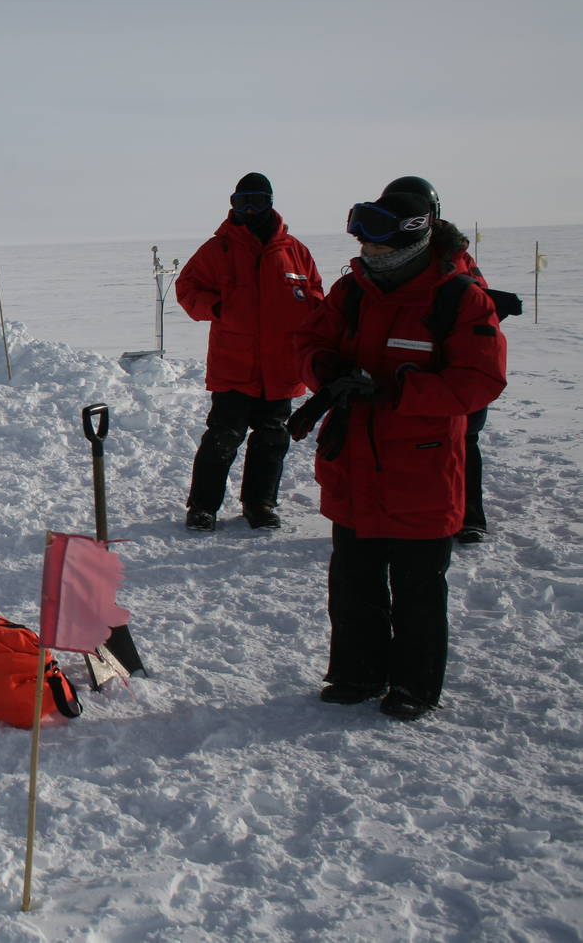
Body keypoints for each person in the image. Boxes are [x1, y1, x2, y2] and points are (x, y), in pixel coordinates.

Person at [293, 185, 506, 720]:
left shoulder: (459, 298)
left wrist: (395, 392)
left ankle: (414, 684)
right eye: (365, 245)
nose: (368, 254)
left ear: (413, 237)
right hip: (354, 464)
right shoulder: (353, 291)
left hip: (421, 470)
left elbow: (479, 380)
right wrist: (327, 370)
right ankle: (356, 673)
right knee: (353, 580)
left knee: (418, 588)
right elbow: (310, 342)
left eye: (379, 247)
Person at [175, 173, 324, 532]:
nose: (250, 210)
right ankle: (203, 507)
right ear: (233, 204)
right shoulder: (218, 249)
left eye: (257, 201)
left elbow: (316, 298)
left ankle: (260, 505)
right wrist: (218, 307)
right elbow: (187, 289)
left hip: (281, 368)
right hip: (234, 364)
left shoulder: (294, 251)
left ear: (270, 203)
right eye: (243, 202)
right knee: (223, 436)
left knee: (272, 438)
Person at [380, 176, 516, 544]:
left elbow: (478, 307)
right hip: (409, 367)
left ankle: (468, 516)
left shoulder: (455, 259)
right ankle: (405, 515)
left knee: (464, 440)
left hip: (455, 370)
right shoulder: (386, 258)